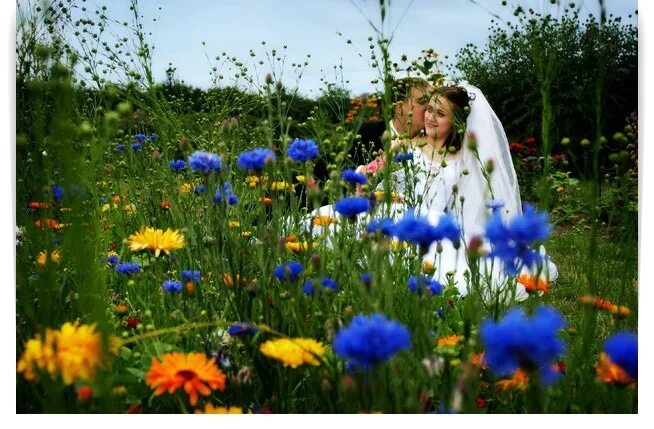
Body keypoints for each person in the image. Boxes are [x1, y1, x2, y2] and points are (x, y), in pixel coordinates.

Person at [305, 82, 556, 300]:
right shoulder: (405, 143)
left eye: (440, 113)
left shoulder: (462, 160)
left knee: (455, 269)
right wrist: (364, 181)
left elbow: (467, 205)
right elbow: (369, 173)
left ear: (456, 122)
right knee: (326, 225)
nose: (430, 118)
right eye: (429, 110)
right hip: (386, 209)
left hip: (429, 221)